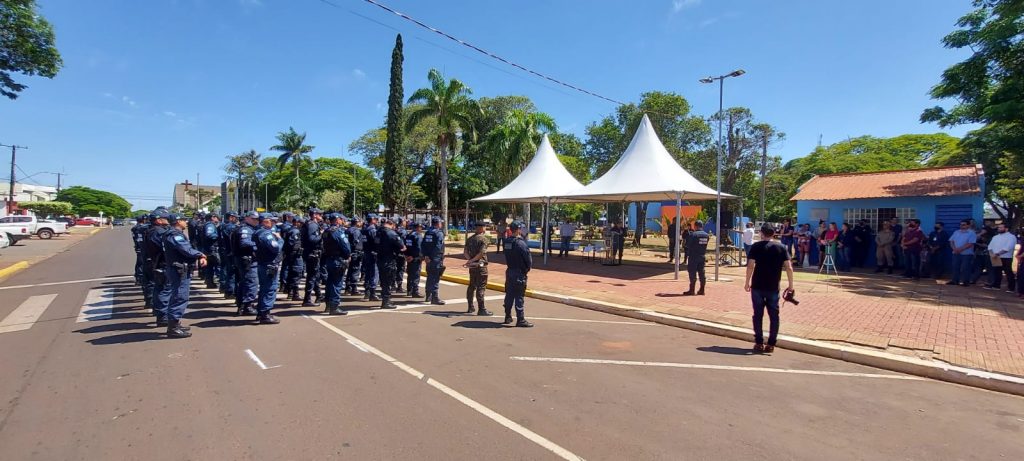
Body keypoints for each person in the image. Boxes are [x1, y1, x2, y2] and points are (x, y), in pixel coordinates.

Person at [744, 224, 794, 354]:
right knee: (774, 316)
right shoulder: (781, 247)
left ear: (762, 233)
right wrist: (791, 285)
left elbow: (750, 265)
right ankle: (771, 343)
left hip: (758, 285)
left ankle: (759, 342)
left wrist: (747, 282)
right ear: (774, 233)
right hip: (773, 286)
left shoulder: (756, 246)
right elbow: (789, 267)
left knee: (758, 314)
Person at [162, 213, 207, 338]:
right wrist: (200, 254)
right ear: (177, 221)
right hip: (179, 269)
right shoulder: (174, 235)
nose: (186, 222)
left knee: (179, 295)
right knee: (180, 296)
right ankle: (173, 327)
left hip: (179, 268)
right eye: (183, 220)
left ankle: (175, 323)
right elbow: (186, 250)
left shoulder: (173, 233)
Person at [252, 213, 282, 324]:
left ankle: (261, 313)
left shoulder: (257, 232)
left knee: (264, 289)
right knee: (270, 289)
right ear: (265, 221)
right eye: (271, 221)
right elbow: (276, 248)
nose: (274, 223)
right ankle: (265, 314)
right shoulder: (265, 234)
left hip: (263, 263)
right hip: (268, 264)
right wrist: (280, 240)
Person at [143, 210, 172, 320]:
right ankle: (163, 316)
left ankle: (160, 312)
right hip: (162, 263)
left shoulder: (152, 230)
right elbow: (164, 248)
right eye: (165, 218)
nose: (167, 220)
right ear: (159, 220)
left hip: (158, 262)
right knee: (164, 290)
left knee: (160, 288)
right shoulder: (157, 232)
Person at [502, 221, 533, 327]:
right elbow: (528, 260)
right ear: (519, 229)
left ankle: (507, 316)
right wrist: (527, 269)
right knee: (519, 296)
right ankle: (520, 319)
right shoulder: (521, 243)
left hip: (510, 270)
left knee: (509, 294)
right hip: (519, 272)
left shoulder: (506, 242)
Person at [322, 213, 352, 315]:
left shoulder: (326, 231)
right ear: (337, 220)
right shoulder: (338, 232)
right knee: (336, 283)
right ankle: (334, 307)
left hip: (329, 259)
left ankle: (328, 305)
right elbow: (346, 247)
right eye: (341, 219)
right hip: (337, 260)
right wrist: (348, 255)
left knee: (330, 282)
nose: (342, 221)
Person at [231, 211, 260, 316]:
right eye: (253, 219)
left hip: (244, 259)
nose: (256, 221)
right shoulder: (245, 229)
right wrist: (258, 244)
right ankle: (247, 305)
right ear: (247, 218)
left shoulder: (248, 228)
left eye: (257, 219)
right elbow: (244, 243)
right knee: (251, 282)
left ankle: (242, 306)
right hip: (247, 260)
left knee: (244, 282)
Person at [463, 221, 493, 315]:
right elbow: (481, 253)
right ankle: (481, 309)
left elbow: (465, 252)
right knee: (481, 287)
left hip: (472, 266)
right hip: (480, 266)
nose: (485, 228)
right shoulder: (483, 239)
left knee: (471, 286)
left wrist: (470, 260)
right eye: (484, 227)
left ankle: (470, 306)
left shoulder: (470, 239)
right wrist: (473, 260)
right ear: (481, 228)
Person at [376, 217, 405, 309]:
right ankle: (386, 302)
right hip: (389, 260)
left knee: (383, 281)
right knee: (388, 282)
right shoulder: (392, 233)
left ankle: (386, 300)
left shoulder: (378, 232)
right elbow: (402, 246)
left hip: (380, 259)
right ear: (392, 224)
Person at [301, 208, 325, 306]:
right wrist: (321, 234)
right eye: (319, 214)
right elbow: (312, 239)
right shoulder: (312, 225)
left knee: (315, 275)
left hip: (311, 253)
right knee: (312, 276)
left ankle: (318, 295)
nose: (321, 216)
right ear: (314, 215)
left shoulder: (310, 224)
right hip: (312, 253)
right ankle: (307, 299)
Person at [422, 216, 447, 305]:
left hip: (428, 259)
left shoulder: (428, 232)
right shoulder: (439, 233)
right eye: (441, 223)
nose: (441, 224)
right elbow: (438, 247)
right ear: (438, 223)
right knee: (435, 277)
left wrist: (426, 256)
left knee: (429, 277)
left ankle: (428, 295)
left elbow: (423, 245)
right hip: (435, 259)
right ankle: (435, 298)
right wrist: (434, 257)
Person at [986, 223, 1017, 292]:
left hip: (1006, 257)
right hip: (995, 257)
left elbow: (1008, 247)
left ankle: (1011, 288)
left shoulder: (1011, 237)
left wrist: (998, 254)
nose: (999, 229)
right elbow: (990, 246)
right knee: (997, 272)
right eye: (998, 227)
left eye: (1001, 227)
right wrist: (992, 254)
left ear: (1006, 228)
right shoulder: (995, 237)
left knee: (1008, 272)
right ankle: (996, 285)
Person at [682, 220, 709, 296]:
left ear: (695, 226)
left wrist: (689, 237)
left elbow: (687, 245)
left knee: (692, 273)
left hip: (693, 257)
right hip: (702, 256)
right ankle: (702, 289)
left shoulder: (693, 235)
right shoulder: (706, 235)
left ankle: (692, 290)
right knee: (702, 273)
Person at [948, 219, 978, 287]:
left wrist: (960, 249)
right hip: (956, 253)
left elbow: (970, 243)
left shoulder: (971, 233)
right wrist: (954, 249)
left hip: (967, 254)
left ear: (968, 225)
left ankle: (965, 282)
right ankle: (955, 280)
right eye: (961, 224)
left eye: (963, 225)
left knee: (965, 267)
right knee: (955, 267)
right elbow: (951, 241)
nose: (961, 226)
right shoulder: (956, 232)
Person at [282, 215, 304, 301]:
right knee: (296, 272)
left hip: (292, 255)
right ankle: (294, 293)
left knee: (292, 272)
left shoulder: (291, 230)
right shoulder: (295, 231)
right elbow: (292, 244)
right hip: (295, 255)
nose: (301, 224)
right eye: (300, 223)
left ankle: (291, 291)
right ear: (296, 222)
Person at [218, 212, 239, 299]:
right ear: (231, 217)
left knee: (227, 270)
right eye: (235, 217)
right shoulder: (230, 227)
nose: (237, 219)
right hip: (230, 252)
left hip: (225, 250)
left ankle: (227, 289)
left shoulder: (222, 225)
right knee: (232, 272)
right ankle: (230, 291)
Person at [361, 214, 381, 302]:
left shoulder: (364, 229)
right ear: (372, 220)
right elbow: (376, 242)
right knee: (374, 273)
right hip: (372, 253)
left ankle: (367, 291)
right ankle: (372, 292)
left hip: (366, 253)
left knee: (368, 273)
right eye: (376, 219)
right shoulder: (372, 230)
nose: (377, 220)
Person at [200, 214, 221, 289]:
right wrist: (218, 235)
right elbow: (209, 235)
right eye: (216, 217)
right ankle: (220, 283)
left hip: (208, 249)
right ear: (212, 217)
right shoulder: (210, 225)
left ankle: (210, 283)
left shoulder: (207, 224)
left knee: (210, 267)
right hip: (212, 249)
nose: (217, 219)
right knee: (218, 265)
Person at [404, 222, 424, 299]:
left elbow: (406, 246)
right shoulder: (418, 236)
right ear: (418, 227)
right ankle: (415, 291)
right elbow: (419, 248)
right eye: (420, 227)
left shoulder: (408, 235)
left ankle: (409, 290)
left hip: (409, 258)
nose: (421, 229)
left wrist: (407, 256)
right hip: (415, 258)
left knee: (410, 274)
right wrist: (418, 256)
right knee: (416, 275)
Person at [346, 216, 364, 296]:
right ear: (357, 222)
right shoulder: (356, 231)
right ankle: (354, 288)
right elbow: (355, 242)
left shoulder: (348, 230)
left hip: (350, 252)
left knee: (350, 270)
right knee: (355, 270)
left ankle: (348, 287)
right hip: (355, 253)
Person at [131, 215, 149, 286]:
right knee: (141, 263)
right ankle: (139, 278)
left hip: (138, 246)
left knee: (139, 263)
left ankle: (138, 278)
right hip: (141, 247)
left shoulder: (135, 228)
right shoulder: (140, 228)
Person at [394, 217, 407, 293]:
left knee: (394, 268)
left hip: (394, 252)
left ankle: (392, 284)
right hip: (401, 252)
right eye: (405, 221)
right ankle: (399, 286)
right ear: (402, 222)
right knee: (400, 269)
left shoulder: (394, 229)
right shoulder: (403, 231)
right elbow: (404, 242)